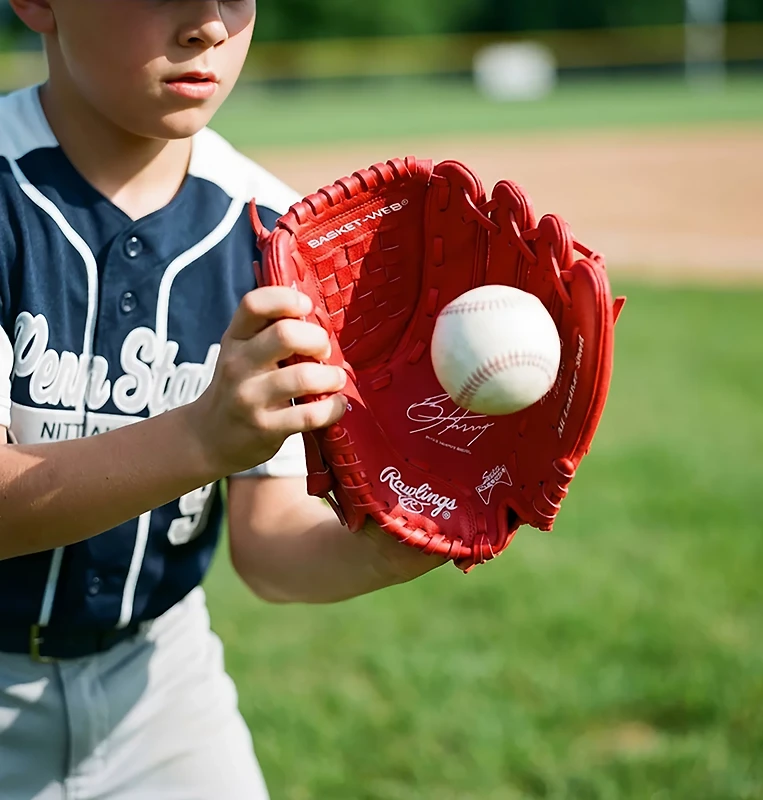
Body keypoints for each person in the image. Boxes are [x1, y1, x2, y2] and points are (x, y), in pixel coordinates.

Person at [0, 2, 444, 798]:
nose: (208, 24)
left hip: (160, 682)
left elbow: (266, 542)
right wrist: (200, 439)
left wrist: (385, 546)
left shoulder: (277, 233)